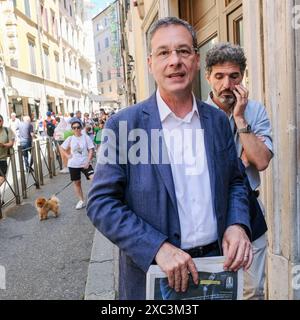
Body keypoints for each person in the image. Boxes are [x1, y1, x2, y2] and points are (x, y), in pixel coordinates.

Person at [87, 17, 252, 300]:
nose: (174, 61)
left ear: (196, 60)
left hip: (216, 268)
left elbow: (236, 182)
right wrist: (156, 247)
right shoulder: (124, 125)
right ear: (150, 63)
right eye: (164, 52)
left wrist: (237, 224)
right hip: (154, 274)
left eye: (183, 51)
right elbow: (101, 203)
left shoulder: (218, 121)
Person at [205, 42, 273, 300]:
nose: (226, 84)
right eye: (219, 76)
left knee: (253, 290)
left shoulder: (255, 111)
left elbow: (262, 161)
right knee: (216, 290)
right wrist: (240, 160)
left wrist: (241, 119)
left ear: (243, 76)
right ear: (208, 76)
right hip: (210, 211)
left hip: (250, 207)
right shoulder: (196, 115)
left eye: (234, 76)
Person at [60, 119, 94, 210]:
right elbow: (62, 148)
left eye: (78, 127)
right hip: (73, 164)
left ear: (81, 128)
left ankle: (95, 198)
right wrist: (67, 155)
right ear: (72, 129)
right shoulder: (70, 138)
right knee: (77, 182)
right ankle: (81, 201)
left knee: (94, 179)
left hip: (85, 163)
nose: (76, 129)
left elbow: (91, 150)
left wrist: (88, 161)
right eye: (74, 128)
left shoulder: (86, 137)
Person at [0, 115, 15, 209]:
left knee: (2, 178)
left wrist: (3, 145)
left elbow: (11, 143)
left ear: (2, 121)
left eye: (0, 121)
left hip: (2, 158)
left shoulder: (7, 130)